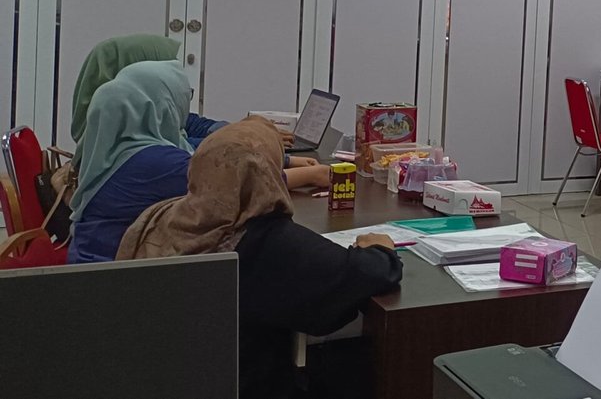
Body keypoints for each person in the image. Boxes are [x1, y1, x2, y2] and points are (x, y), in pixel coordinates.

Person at [118, 117, 403, 399]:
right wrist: (381, 249)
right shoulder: (265, 240)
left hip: (156, 376)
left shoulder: (162, 215)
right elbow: (367, 274)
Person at [67, 61, 330, 263]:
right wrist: (313, 175)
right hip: (114, 280)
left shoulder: (117, 147)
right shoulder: (154, 161)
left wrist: (287, 160)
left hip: (95, 263)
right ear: (162, 105)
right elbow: (236, 185)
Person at [71, 33, 320, 169]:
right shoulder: (129, 145)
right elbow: (202, 165)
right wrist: (254, 145)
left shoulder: (134, 114)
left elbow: (190, 124)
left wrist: (239, 131)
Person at [71, 34, 226, 148]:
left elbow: (190, 123)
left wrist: (232, 131)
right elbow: (204, 153)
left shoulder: (148, 114)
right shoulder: (125, 142)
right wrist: (230, 142)